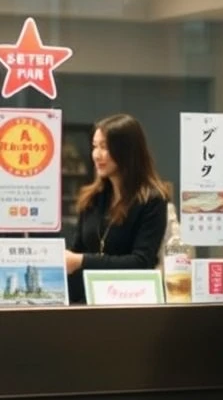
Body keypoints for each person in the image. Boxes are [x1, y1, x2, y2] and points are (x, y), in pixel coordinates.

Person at [66, 114, 169, 303]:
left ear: (126, 151)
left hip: (128, 303)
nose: (96, 155)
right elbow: (76, 251)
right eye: (95, 146)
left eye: (104, 147)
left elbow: (141, 262)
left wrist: (82, 261)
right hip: (85, 303)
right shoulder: (91, 198)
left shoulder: (152, 201)